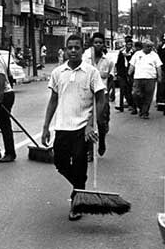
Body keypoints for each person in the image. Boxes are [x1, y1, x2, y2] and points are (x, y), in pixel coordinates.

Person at [41, 34, 105, 221]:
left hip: (82, 128)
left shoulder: (91, 72)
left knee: (79, 164)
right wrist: (46, 127)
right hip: (62, 126)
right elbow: (53, 100)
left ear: (82, 49)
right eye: (70, 48)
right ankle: (80, 189)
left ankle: (76, 202)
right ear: (66, 50)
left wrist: (91, 125)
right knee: (60, 163)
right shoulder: (57, 73)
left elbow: (101, 100)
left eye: (77, 47)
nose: (74, 51)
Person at [83, 32, 114, 157]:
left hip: (102, 94)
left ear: (103, 44)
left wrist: (111, 92)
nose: (98, 45)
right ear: (92, 44)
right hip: (87, 94)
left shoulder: (108, 61)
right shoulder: (85, 58)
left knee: (101, 121)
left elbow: (111, 77)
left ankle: (101, 141)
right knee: (87, 122)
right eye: (96, 42)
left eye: (100, 43)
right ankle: (89, 150)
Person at [129, 39, 163, 119]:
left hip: (150, 78)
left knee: (148, 96)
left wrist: (160, 76)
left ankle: (144, 112)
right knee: (135, 94)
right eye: (148, 46)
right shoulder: (137, 54)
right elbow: (132, 65)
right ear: (143, 46)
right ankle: (141, 108)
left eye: (151, 47)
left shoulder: (154, 55)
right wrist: (129, 73)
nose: (150, 48)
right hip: (138, 77)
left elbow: (158, 66)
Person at [115, 36, 135, 112]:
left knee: (129, 89)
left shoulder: (134, 53)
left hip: (130, 73)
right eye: (128, 44)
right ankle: (120, 106)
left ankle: (131, 104)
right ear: (126, 45)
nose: (129, 46)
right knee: (122, 89)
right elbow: (118, 63)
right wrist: (118, 73)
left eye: (130, 44)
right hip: (122, 73)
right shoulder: (121, 52)